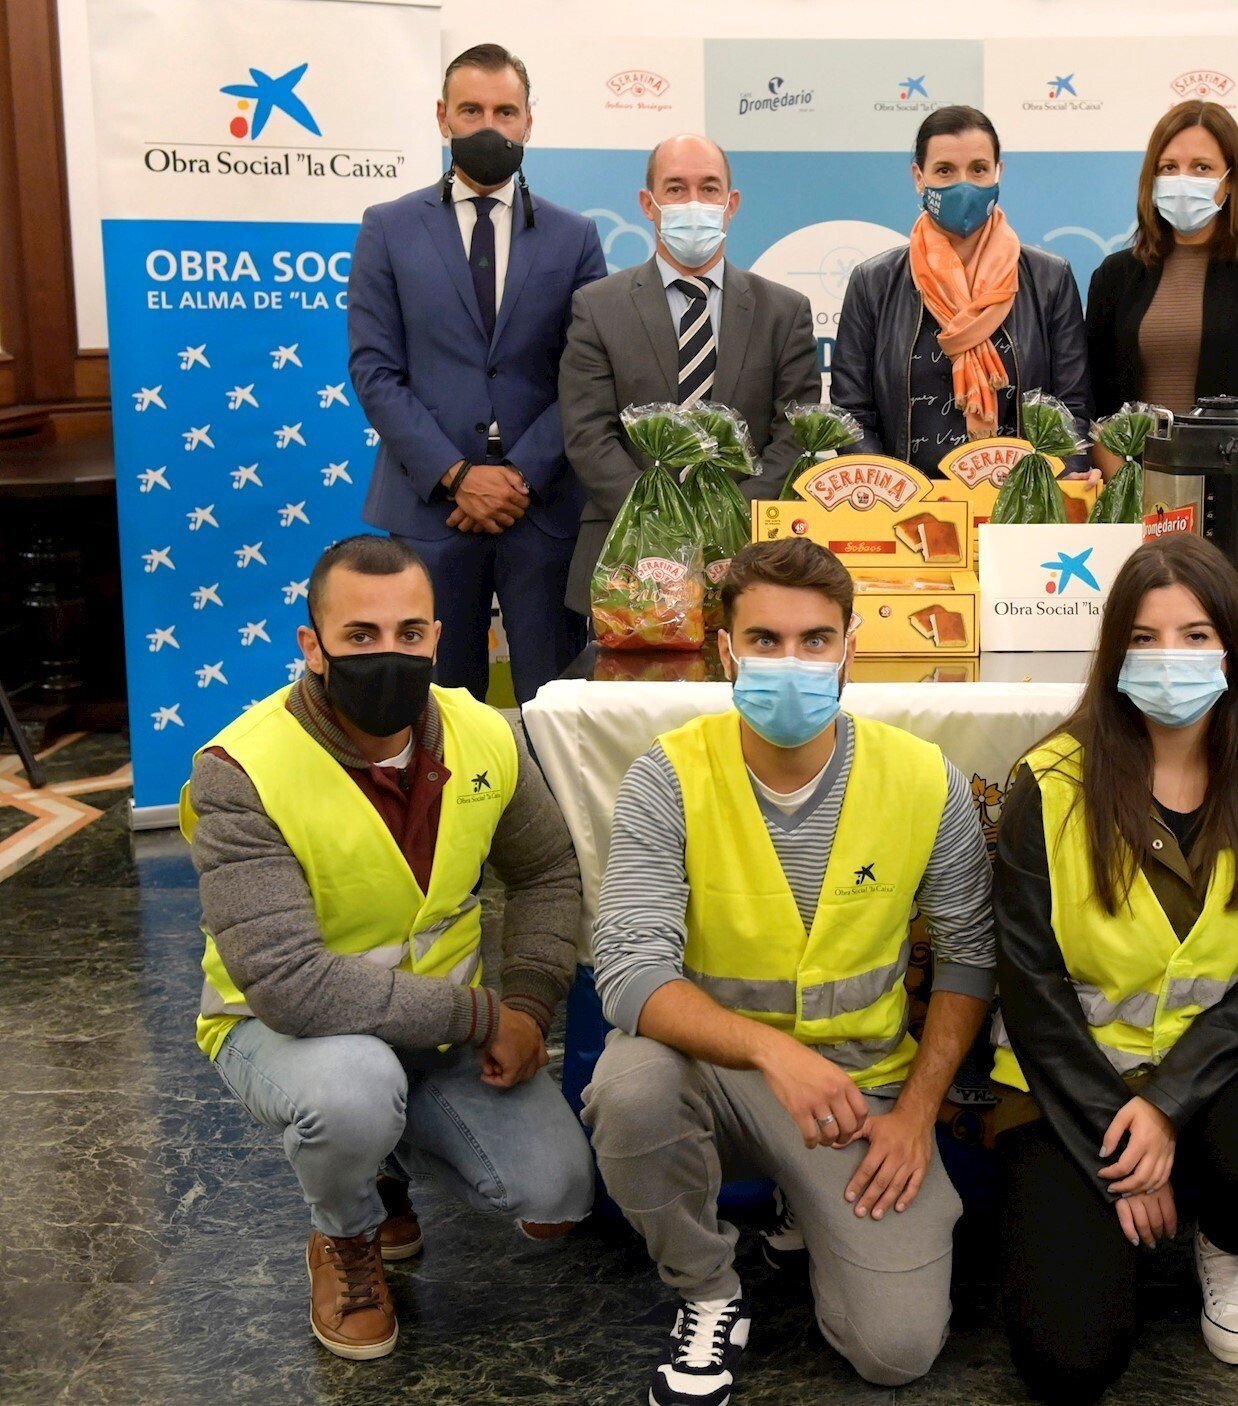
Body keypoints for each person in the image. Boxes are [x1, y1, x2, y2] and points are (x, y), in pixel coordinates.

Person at [581, 537, 994, 1406]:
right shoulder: (669, 775)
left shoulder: (925, 779)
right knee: (630, 1089)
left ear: (850, 650)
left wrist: (917, 1113)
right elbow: (627, 970)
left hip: (862, 1090)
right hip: (715, 1077)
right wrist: (774, 1053)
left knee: (896, 1351)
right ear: (725, 651)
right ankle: (708, 1292)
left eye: (815, 640)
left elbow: (969, 957)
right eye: (765, 640)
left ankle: (802, 1203)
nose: (792, 661)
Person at [182, 535, 594, 1361]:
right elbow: (289, 985)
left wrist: (528, 1002)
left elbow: (548, 870)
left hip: (434, 1033)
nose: (388, 654)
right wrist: (486, 1017)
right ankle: (345, 1231)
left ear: (437, 638)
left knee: (557, 1191)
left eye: (409, 634)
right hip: (285, 1030)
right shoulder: (240, 768)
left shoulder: (485, 734)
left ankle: (384, 1162)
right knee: (353, 1096)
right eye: (360, 636)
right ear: (314, 647)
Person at [992, 533, 1238, 1403]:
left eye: (1195, 636)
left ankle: (1223, 1238)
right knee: (1069, 1363)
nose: (1170, 658)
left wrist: (1165, 1105)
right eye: (1144, 638)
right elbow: (1032, 991)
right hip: (1063, 1089)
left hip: (1216, 1074)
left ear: (1234, 647)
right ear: (1114, 655)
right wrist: (1117, 1147)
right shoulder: (1049, 783)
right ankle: (1120, 1209)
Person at [350, 43, 608, 705]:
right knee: (435, 710)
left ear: (528, 122)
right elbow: (375, 370)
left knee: (558, 708)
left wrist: (519, 475)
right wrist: (457, 475)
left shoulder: (575, 236)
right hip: (430, 510)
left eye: (504, 111)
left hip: (543, 509)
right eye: (471, 111)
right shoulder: (387, 228)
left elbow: (587, 374)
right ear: (443, 117)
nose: (489, 126)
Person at [560, 132, 820, 616]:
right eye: (676, 189)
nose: (694, 203)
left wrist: (727, 520)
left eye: (709, 188)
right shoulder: (597, 307)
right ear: (649, 203)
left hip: (753, 560)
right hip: (626, 554)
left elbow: (794, 433)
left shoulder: (784, 311)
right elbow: (588, 434)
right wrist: (659, 519)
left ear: (731, 203)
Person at [833, 105, 1092, 474]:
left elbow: (1072, 407)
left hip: (1024, 502)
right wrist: (886, 491)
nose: (964, 185)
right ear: (919, 177)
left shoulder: (1050, 278)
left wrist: (1059, 485)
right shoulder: (873, 283)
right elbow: (852, 413)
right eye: (945, 170)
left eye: (978, 169)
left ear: (998, 172)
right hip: (906, 501)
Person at [1085, 101, 1238, 459]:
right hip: (1131, 482)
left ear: (1231, 179)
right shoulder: (1115, 275)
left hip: (1237, 477)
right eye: (1169, 167)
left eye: (1202, 167)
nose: (1182, 180)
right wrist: (1124, 480)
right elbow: (1096, 406)